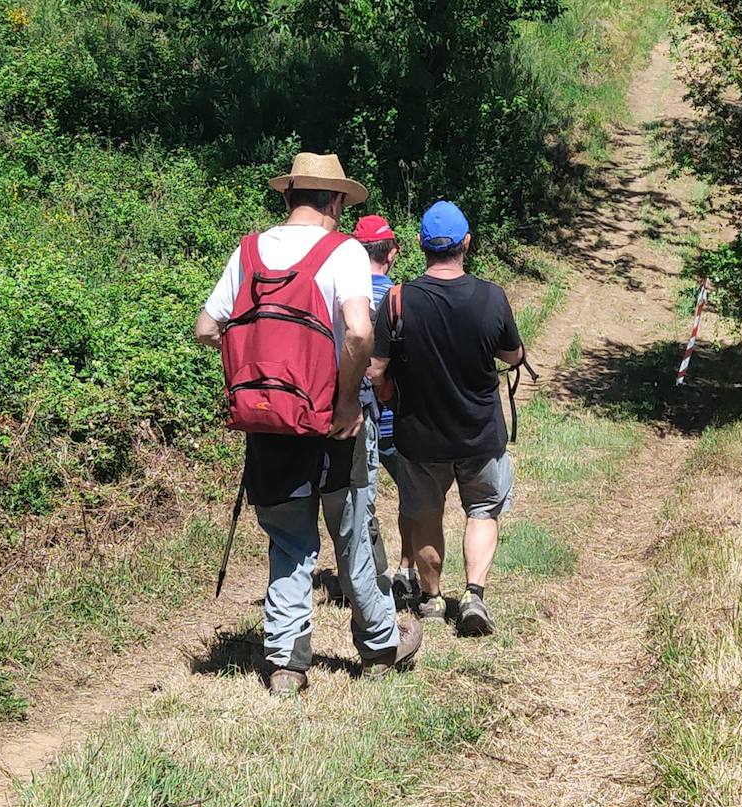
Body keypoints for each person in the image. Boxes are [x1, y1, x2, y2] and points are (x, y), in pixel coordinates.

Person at [195, 153, 421, 694]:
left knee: (288, 541)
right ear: (336, 201)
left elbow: (208, 327)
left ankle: (286, 664)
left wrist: (260, 371)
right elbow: (360, 333)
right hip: (331, 424)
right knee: (353, 538)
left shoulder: (250, 250)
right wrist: (346, 404)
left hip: (267, 424)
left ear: (289, 196)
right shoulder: (340, 251)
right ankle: (380, 645)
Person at [368, 200, 525, 636]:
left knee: (425, 515)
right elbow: (513, 355)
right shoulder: (491, 297)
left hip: (419, 437)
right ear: (466, 244)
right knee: (483, 510)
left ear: (420, 244)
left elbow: (376, 370)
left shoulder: (398, 300)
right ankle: (474, 595)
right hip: (479, 434)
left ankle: (433, 599)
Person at [350, 215, 419, 606]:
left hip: (355, 413)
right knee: (412, 494)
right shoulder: (401, 299)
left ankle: (363, 574)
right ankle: (406, 569)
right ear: (391, 253)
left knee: (361, 501)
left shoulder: (342, 297)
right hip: (397, 415)